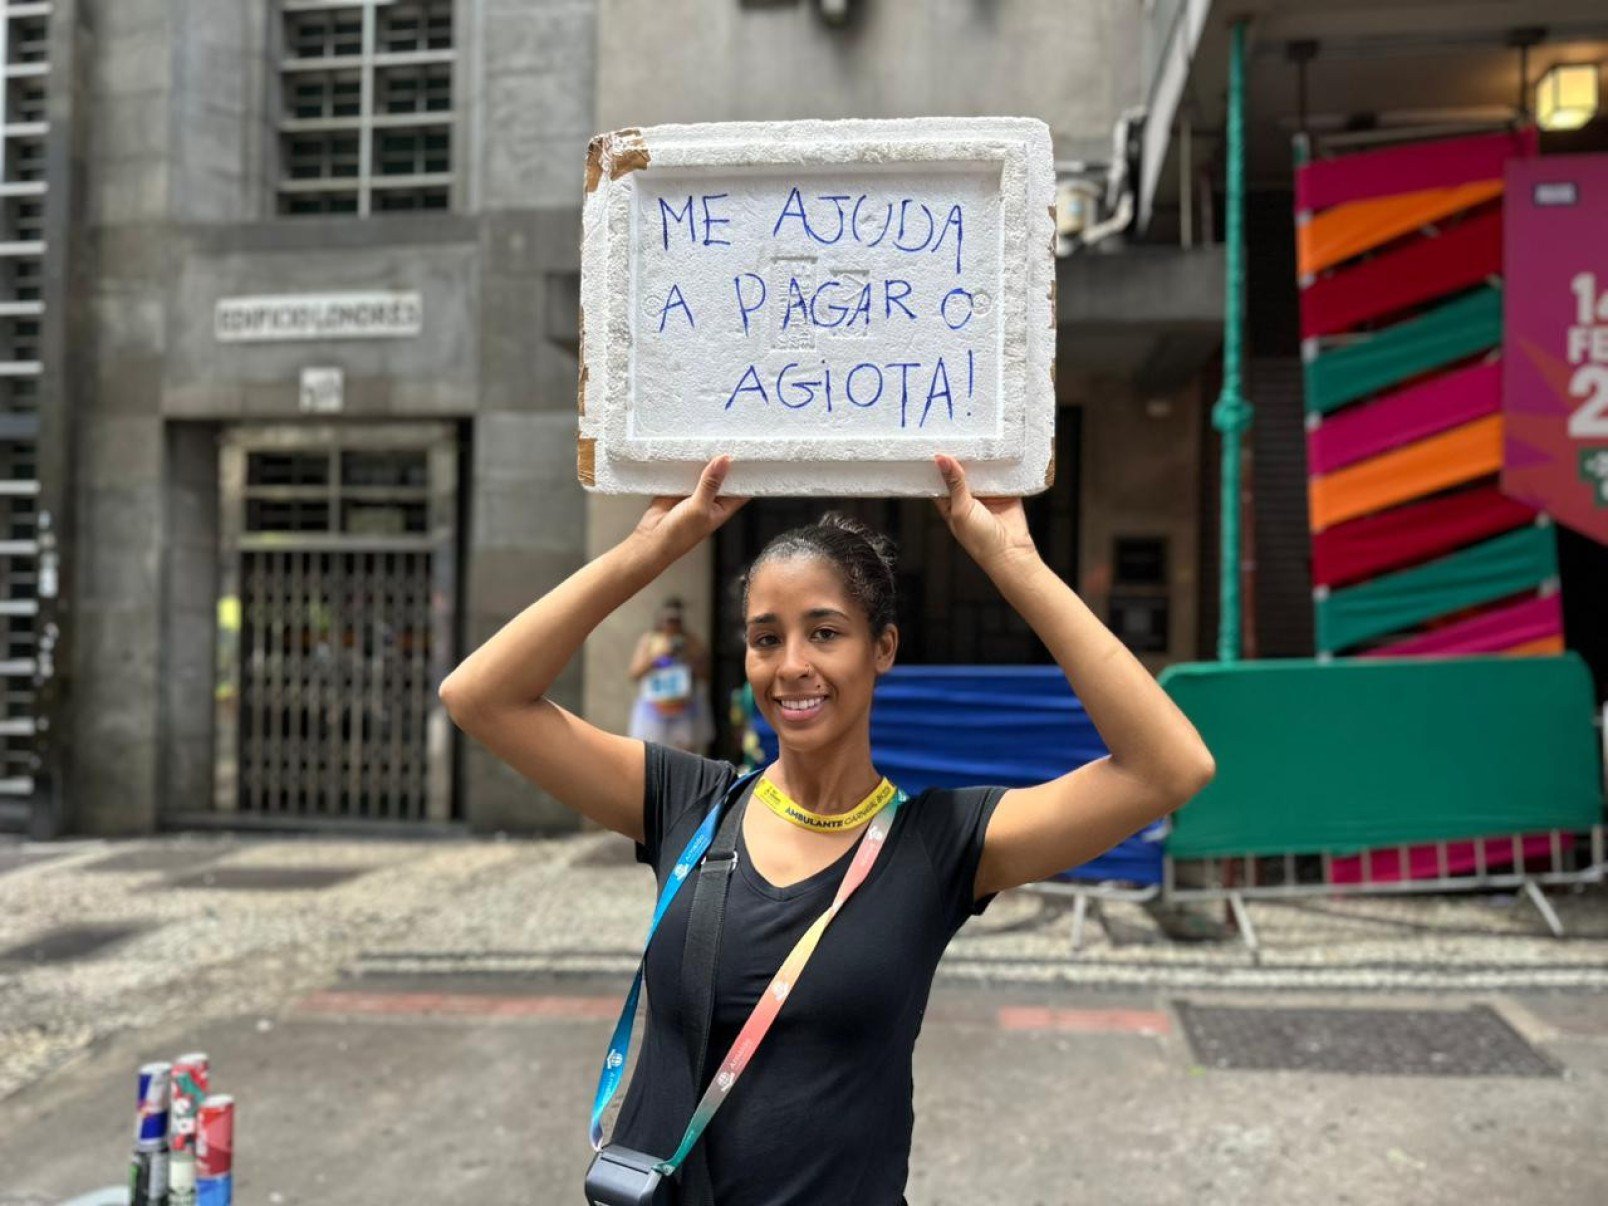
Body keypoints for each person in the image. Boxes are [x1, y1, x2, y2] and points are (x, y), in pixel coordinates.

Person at [439, 454, 1215, 1204]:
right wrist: (645, 551)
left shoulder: (942, 844)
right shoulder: (688, 802)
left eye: (825, 632)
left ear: (882, 649)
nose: (791, 666)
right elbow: (481, 696)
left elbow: (1168, 769)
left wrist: (1013, 562)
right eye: (766, 637)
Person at [627, 596, 715, 753]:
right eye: (668, 620)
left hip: (683, 710)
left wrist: (688, 656)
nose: (672, 625)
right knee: (652, 754)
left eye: (676, 620)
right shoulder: (649, 640)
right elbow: (635, 673)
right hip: (654, 711)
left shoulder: (691, 641)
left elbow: (706, 675)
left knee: (686, 755)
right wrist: (658, 656)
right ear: (661, 619)